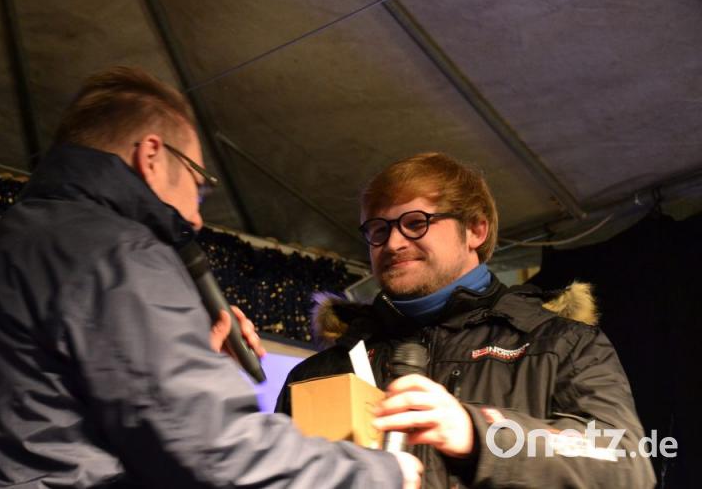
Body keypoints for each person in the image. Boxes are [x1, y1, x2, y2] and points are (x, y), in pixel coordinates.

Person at [0, 67, 420, 488]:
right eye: (197, 184)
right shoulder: (120, 254)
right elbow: (217, 451)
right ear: (152, 155)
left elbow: (39, 432)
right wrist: (381, 475)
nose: (195, 217)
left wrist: (181, 355)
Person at [275, 152, 656, 488]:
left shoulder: (558, 343)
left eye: (415, 222)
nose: (393, 244)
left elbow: (625, 464)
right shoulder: (320, 372)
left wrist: (480, 434)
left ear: (475, 229)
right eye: (378, 230)